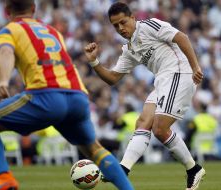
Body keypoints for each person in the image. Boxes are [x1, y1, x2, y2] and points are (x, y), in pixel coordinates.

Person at [0, 1, 134, 190]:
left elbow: (6, 51)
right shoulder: (53, 32)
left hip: (46, 95)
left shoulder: (8, 31)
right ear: (33, 9)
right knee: (94, 148)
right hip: (78, 96)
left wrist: (3, 81)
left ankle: (4, 176)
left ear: (7, 11)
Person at [84, 2, 205, 190]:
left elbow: (182, 37)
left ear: (133, 18)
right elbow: (113, 78)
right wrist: (94, 62)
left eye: (123, 22)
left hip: (180, 73)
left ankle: (193, 169)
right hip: (162, 80)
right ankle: (123, 169)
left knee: (159, 129)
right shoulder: (129, 49)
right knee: (143, 122)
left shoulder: (149, 26)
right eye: (115, 26)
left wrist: (195, 66)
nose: (120, 28)